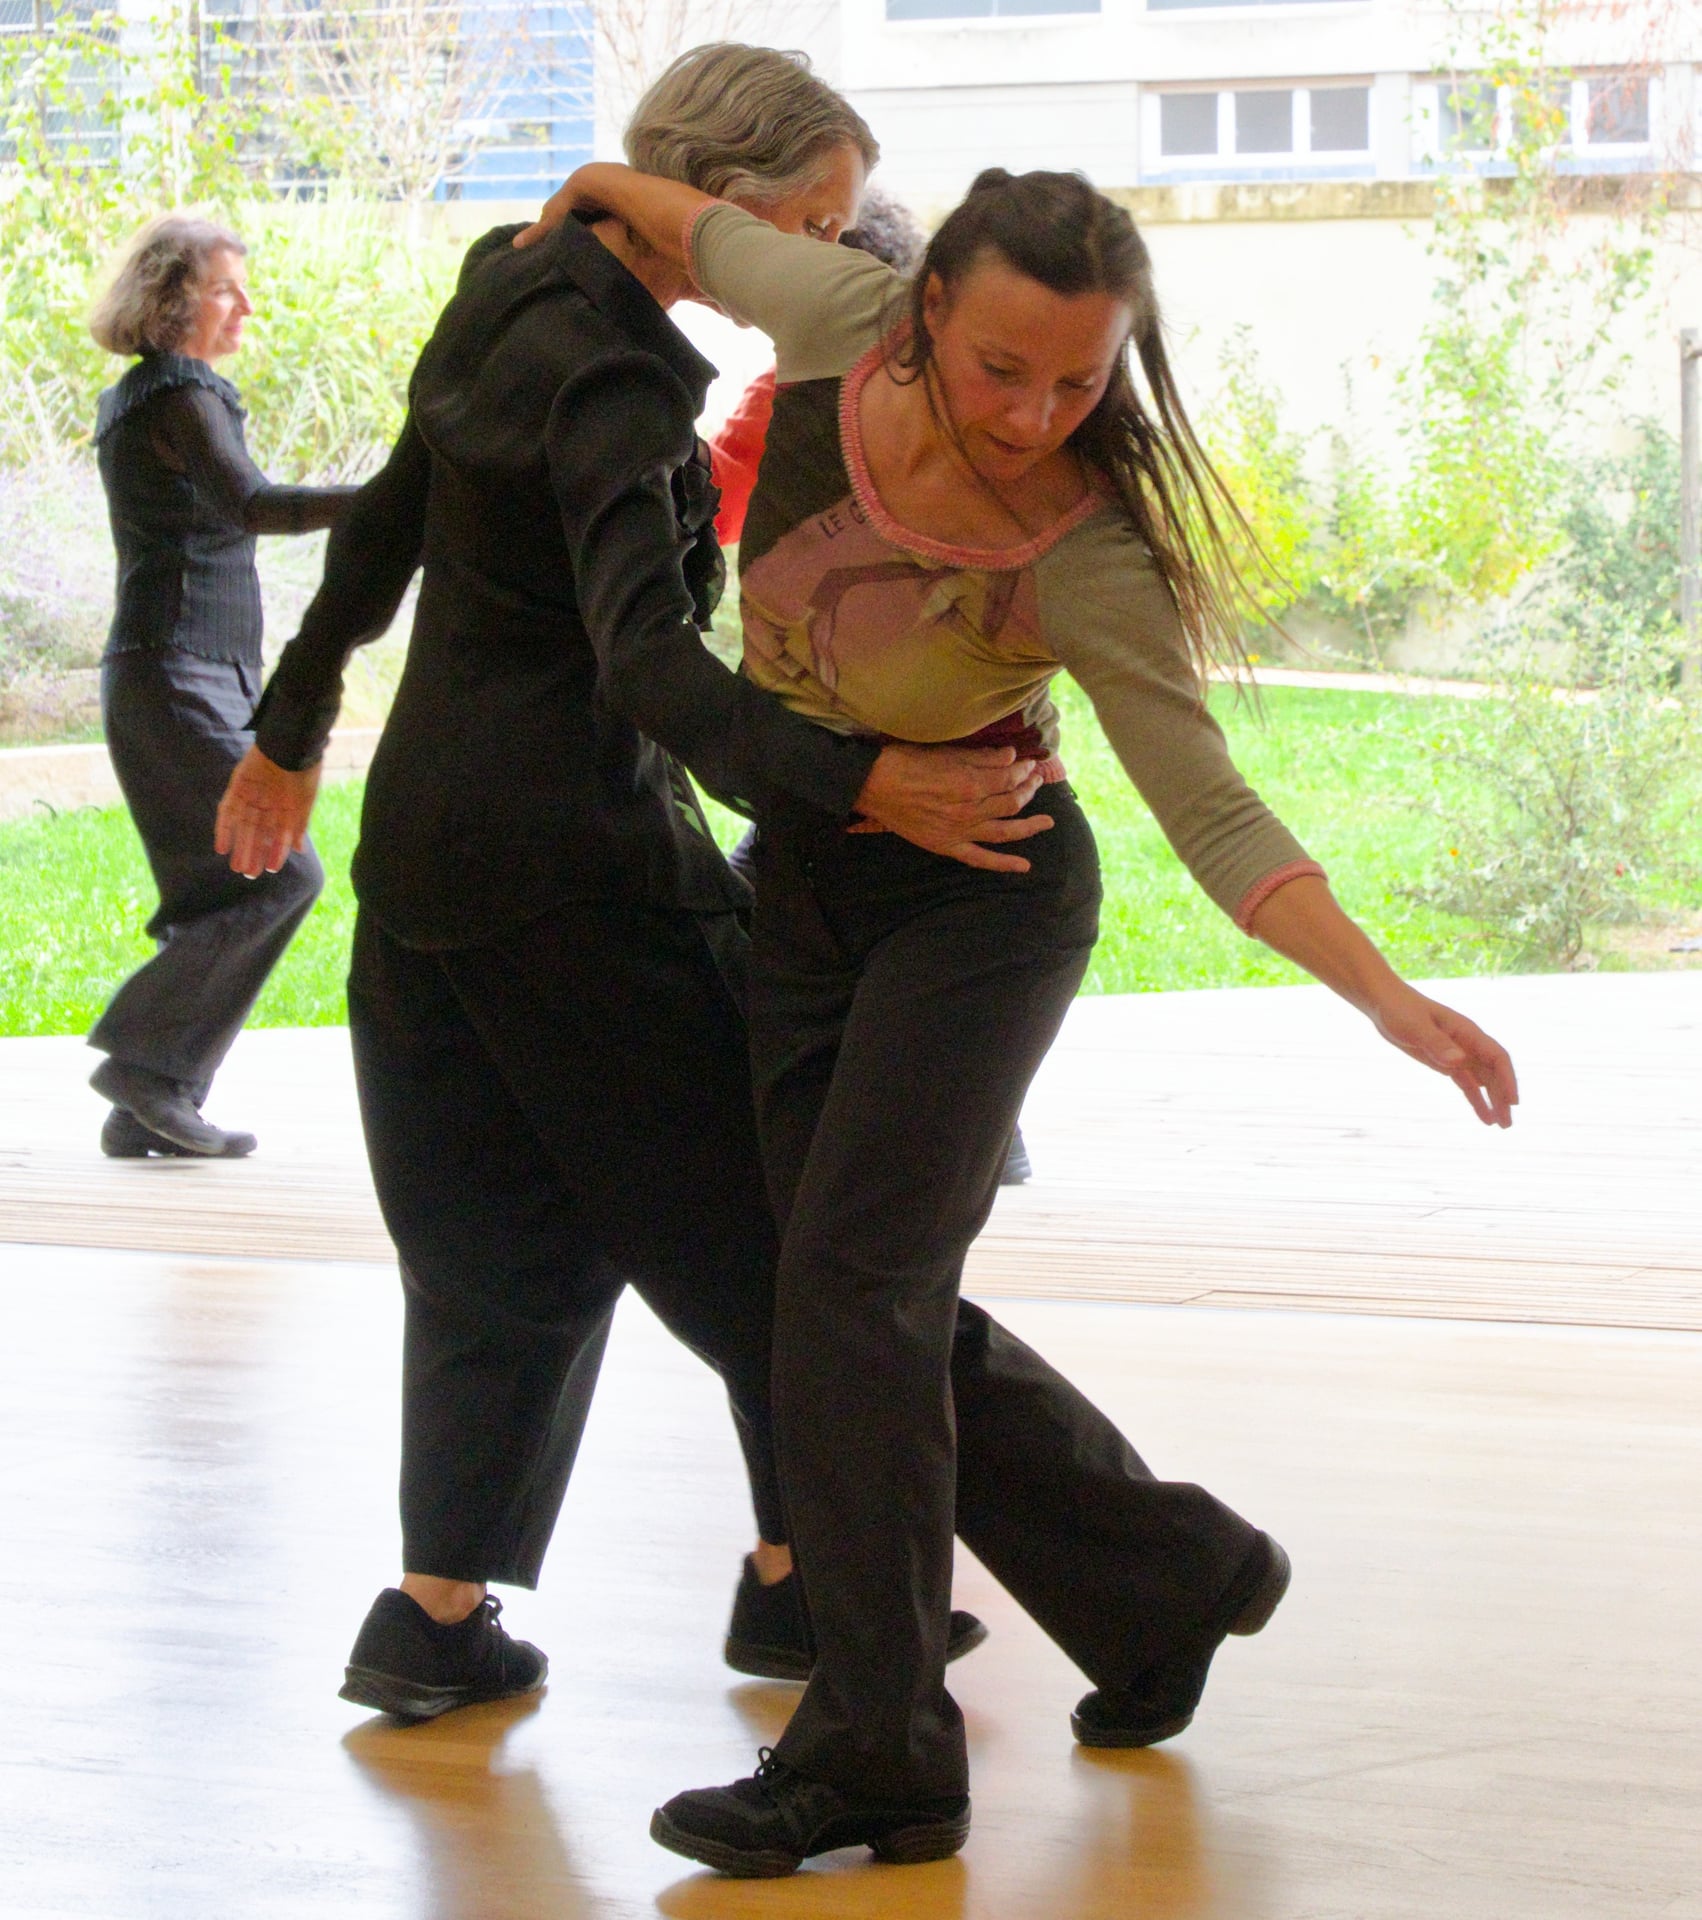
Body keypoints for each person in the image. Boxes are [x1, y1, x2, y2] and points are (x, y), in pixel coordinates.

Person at [525, 159, 1519, 1877]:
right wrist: (584, 195)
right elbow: (686, 220)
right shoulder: (834, 324)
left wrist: (1385, 998)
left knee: (846, 1290)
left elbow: (1209, 810)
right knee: (850, 1299)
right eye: (1002, 368)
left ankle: (879, 1745)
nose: (1035, 411)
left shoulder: (1085, 549)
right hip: (815, 887)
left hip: (984, 906)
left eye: (1079, 380)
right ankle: (1169, 1579)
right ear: (923, 314)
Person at [213, 47, 1019, 1726]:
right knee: (778, 1222)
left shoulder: (503, 284)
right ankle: (812, 1588)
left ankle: (436, 1616)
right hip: (580, 866)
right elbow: (643, 664)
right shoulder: (624, 382)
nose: (823, 260)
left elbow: (387, 524)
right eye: (806, 224)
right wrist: (861, 782)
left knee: (498, 1241)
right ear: (718, 214)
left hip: (423, 862)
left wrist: (289, 733)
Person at [85, 216, 353, 1158]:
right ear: (171, 298)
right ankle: (142, 1068)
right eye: (225, 288)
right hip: (176, 674)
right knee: (279, 871)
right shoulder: (177, 390)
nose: (245, 305)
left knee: (230, 886)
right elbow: (256, 504)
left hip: (185, 674)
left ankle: (151, 1098)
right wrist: (401, 498)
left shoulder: (156, 395)